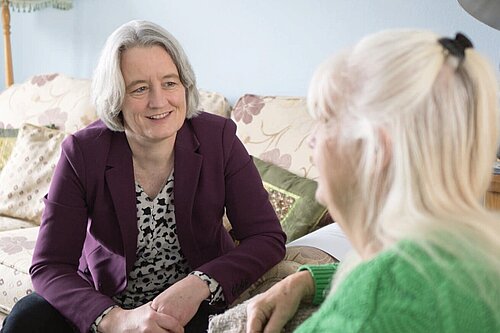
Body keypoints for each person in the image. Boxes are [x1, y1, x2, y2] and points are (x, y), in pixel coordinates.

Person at [1, 20, 286, 333]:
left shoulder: (219, 138)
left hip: (192, 308)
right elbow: (49, 265)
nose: (158, 101)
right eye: (139, 89)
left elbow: (267, 237)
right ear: (116, 97)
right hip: (107, 302)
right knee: (27, 318)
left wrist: (199, 284)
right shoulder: (82, 152)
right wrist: (115, 320)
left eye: (169, 83)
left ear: (185, 86)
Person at [245, 29, 500, 332]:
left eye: (326, 121)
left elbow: (388, 297)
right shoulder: (472, 250)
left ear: (376, 149)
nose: (312, 140)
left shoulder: (365, 316)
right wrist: (308, 279)